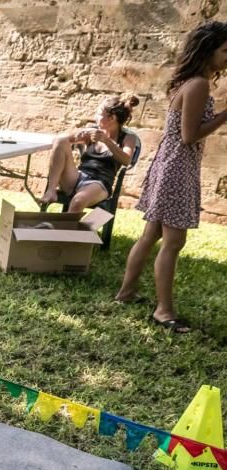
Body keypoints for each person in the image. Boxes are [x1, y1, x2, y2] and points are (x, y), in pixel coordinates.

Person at [115, 21, 227, 334]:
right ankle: (164, 310)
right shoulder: (199, 85)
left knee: (151, 234)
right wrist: (224, 114)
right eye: (224, 51)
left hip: (170, 165)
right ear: (208, 50)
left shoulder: (188, 82)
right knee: (174, 241)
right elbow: (190, 135)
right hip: (178, 168)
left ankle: (126, 292)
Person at [39, 95, 140, 213]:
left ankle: (66, 230)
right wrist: (78, 133)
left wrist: (106, 140)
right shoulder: (92, 132)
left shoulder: (128, 138)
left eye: (99, 114)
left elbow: (126, 160)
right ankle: (51, 191)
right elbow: (61, 141)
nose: (95, 117)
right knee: (60, 140)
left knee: (78, 201)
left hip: (99, 184)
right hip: (77, 176)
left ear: (112, 118)